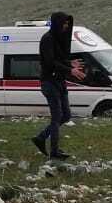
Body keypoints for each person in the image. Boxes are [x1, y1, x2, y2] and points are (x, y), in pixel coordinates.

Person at [31, 12, 79, 159]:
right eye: (64, 23)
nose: (66, 26)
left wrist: (69, 64)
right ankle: (54, 151)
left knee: (66, 115)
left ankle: (41, 137)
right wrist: (70, 69)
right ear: (58, 23)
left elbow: (59, 59)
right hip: (49, 82)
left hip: (59, 81)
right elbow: (50, 62)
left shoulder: (58, 39)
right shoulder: (47, 39)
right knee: (57, 116)